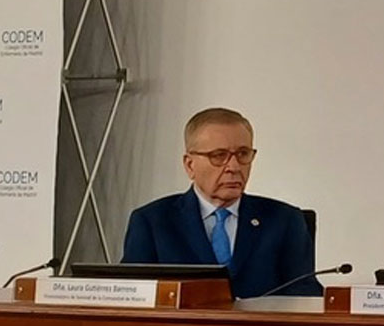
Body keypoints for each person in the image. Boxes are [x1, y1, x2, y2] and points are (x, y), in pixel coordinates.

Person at [120, 107, 321, 298]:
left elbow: (305, 295)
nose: (233, 167)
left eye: (243, 154)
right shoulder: (153, 222)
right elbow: (132, 297)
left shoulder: (284, 221)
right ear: (190, 165)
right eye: (219, 156)